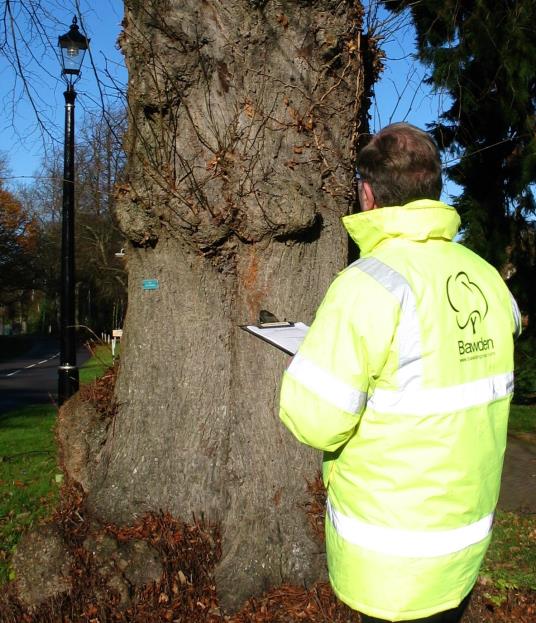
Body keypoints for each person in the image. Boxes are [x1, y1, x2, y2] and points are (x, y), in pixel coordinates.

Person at [279, 123, 521, 622]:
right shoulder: (487, 281)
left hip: (392, 562)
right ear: (433, 189)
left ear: (367, 194)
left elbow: (316, 419)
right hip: (464, 549)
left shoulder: (367, 285)